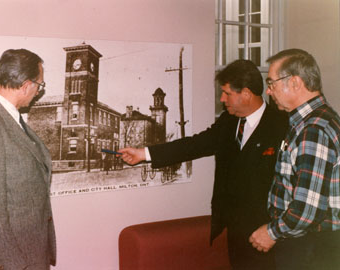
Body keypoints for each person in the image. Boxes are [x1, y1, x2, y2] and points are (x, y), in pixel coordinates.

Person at [119, 59, 288, 269]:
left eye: (227, 93)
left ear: (245, 93)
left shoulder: (282, 125)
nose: (221, 98)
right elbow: (194, 145)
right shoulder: (229, 121)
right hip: (234, 233)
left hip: (270, 236)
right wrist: (144, 153)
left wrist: (274, 230)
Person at [249, 49, 340, 270]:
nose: (269, 92)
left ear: (296, 82)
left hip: (310, 247)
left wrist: (271, 233)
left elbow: (308, 210)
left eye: (272, 83)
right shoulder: (316, 120)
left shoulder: (313, 129)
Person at [0, 49, 56, 270]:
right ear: (26, 85)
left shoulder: (8, 117)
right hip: (11, 263)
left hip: (28, 253)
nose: (38, 92)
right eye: (40, 86)